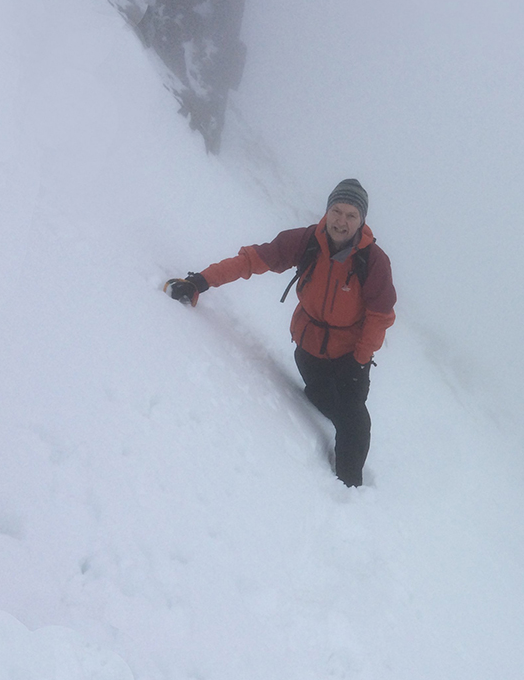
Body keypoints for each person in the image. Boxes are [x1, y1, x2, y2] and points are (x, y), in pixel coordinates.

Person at [166, 179, 396, 487]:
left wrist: (360, 361)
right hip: (308, 349)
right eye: (336, 211)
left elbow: (380, 317)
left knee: (355, 421)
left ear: (362, 220)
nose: (341, 221)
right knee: (323, 398)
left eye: (351, 215)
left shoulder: (373, 262)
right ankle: (327, 410)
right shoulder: (306, 242)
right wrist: (201, 282)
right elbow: (250, 261)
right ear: (327, 212)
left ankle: (349, 486)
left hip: (349, 358)